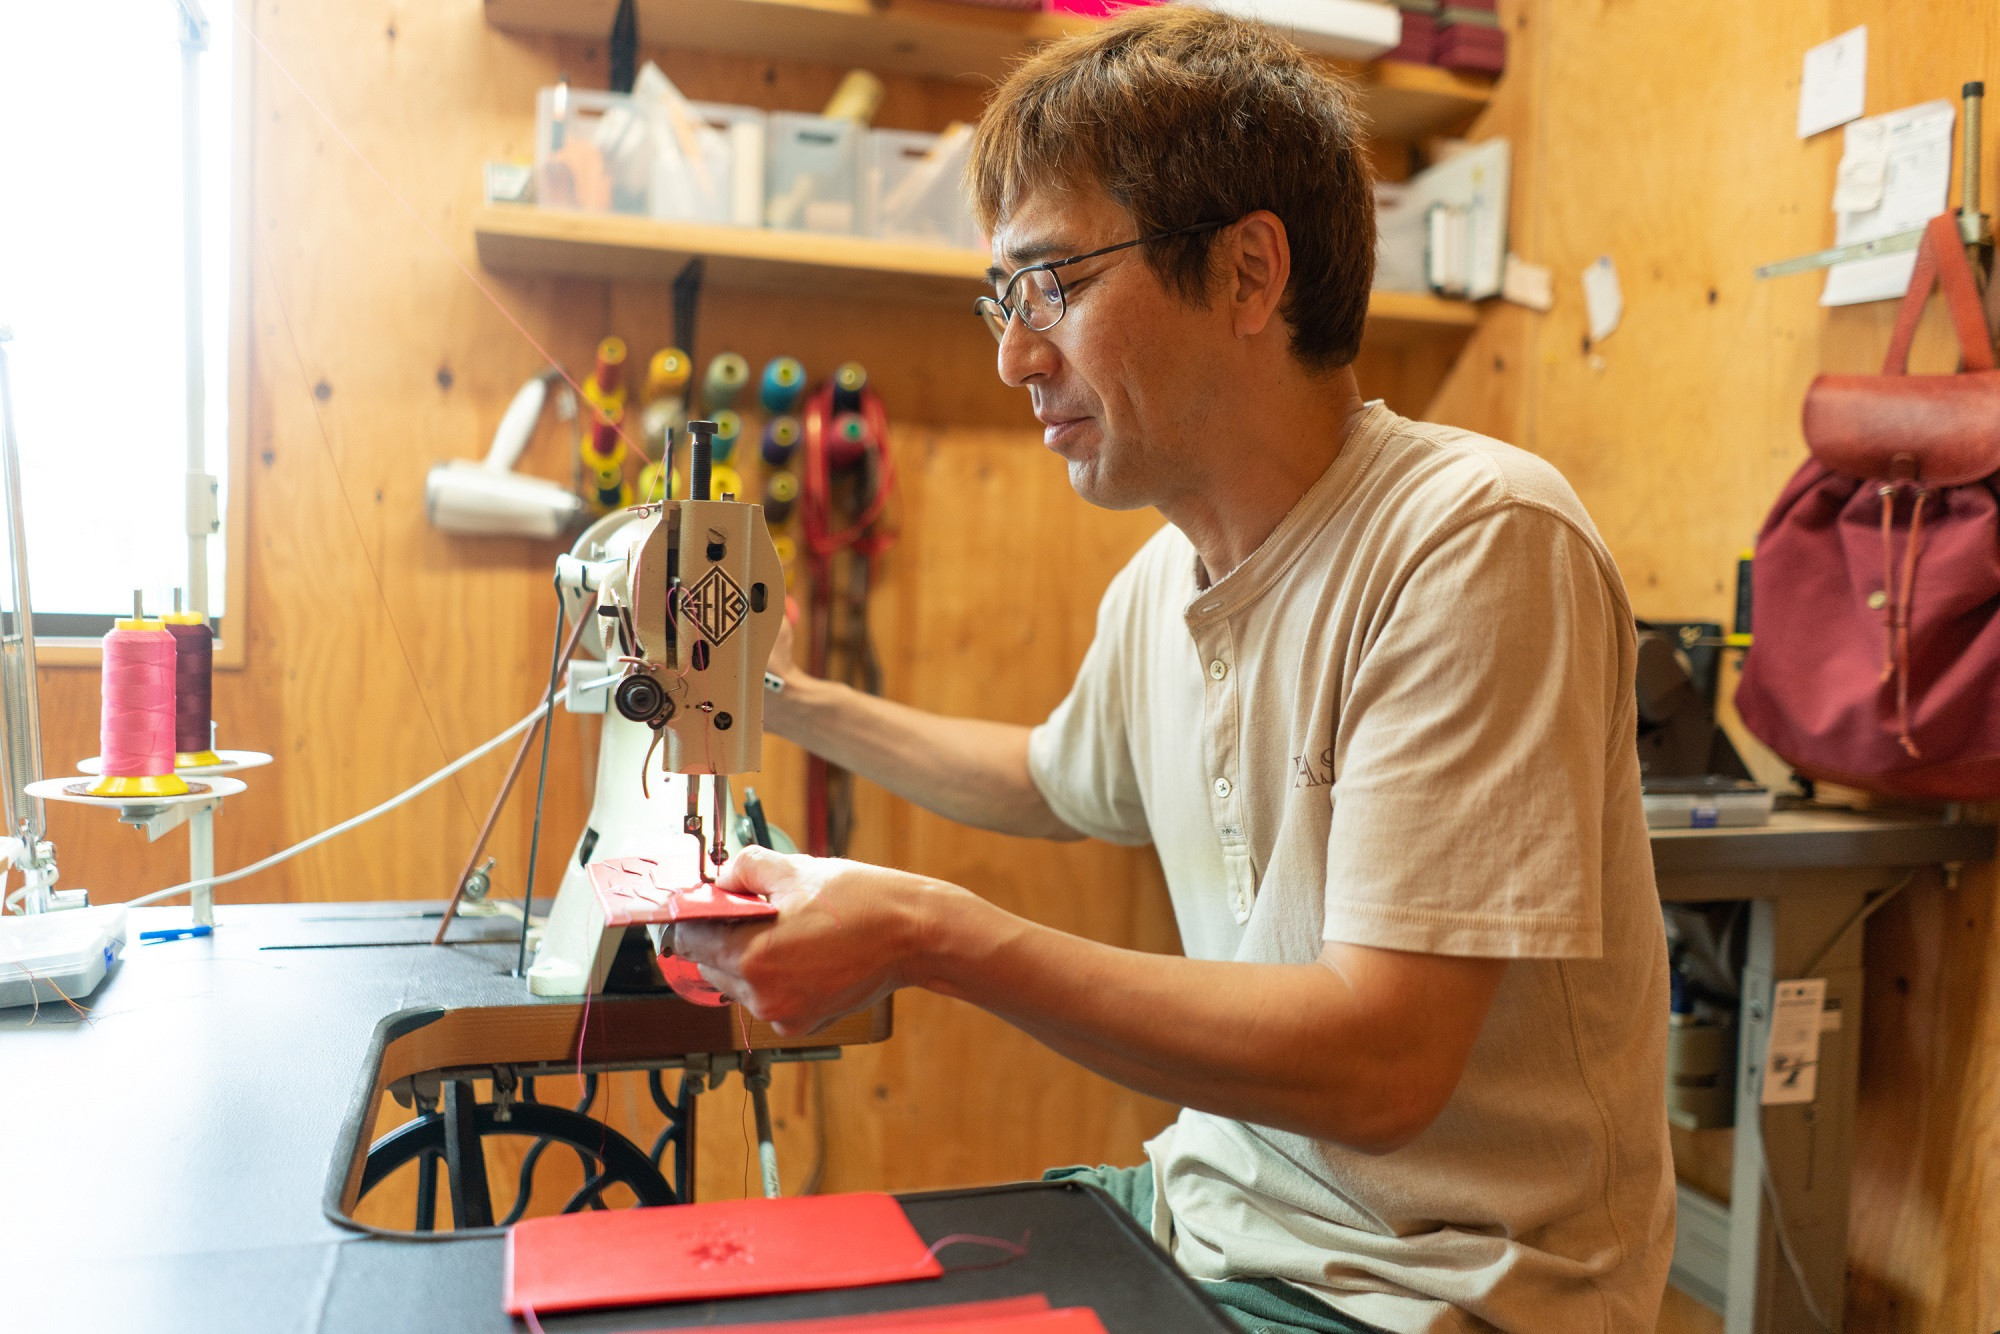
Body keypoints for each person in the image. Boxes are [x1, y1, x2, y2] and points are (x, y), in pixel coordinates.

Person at [674, 8, 1674, 1331]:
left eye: (1053, 284)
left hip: (1436, 1291)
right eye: (1001, 299)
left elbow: (1384, 1064)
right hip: (1213, 1213)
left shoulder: (1475, 538)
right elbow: (1049, 777)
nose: (1015, 356)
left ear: (1250, 273)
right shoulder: (1163, 579)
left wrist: (930, 935)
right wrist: (782, 698)